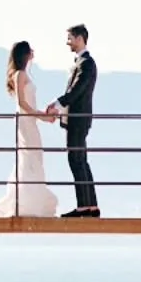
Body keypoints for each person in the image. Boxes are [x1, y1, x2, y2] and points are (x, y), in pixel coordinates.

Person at [0, 40, 59, 217]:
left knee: (34, 156)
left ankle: (33, 198)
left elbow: (28, 104)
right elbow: (22, 103)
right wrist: (42, 116)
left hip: (30, 120)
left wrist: (42, 116)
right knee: (29, 156)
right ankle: (25, 202)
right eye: (30, 50)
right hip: (25, 121)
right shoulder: (20, 75)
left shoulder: (24, 74)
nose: (33, 52)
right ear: (25, 54)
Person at [47, 24, 99, 217]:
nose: (68, 42)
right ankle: (90, 206)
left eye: (70, 38)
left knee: (76, 159)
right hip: (78, 119)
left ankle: (84, 207)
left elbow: (76, 91)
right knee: (80, 160)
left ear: (79, 38)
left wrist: (57, 104)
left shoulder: (86, 63)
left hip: (78, 119)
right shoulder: (84, 62)